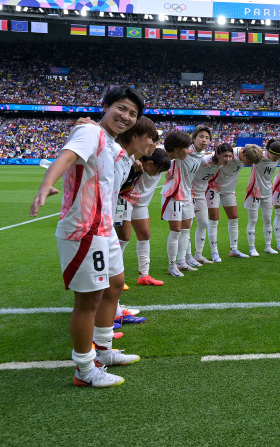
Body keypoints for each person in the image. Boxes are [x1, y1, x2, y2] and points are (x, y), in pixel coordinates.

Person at [29, 85, 144, 388]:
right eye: (121, 108)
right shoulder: (91, 133)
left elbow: (113, 185)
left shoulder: (113, 146)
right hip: (84, 231)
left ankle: (103, 351)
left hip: (104, 230)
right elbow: (67, 157)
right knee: (87, 302)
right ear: (106, 106)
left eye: (133, 113)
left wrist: (132, 162)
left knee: (116, 285)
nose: (126, 116)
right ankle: (84, 369)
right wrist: (46, 184)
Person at [118, 144, 171, 286]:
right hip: (122, 200)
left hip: (140, 203)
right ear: (149, 164)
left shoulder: (157, 159)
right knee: (123, 238)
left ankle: (144, 275)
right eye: (158, 170)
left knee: (145, 235)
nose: (159, 174)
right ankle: (114, 277)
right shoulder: (132, 164)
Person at [206, 143, 263, 260]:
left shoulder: (249, 153)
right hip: (213, 188)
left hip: (229, 190)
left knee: (234, 218)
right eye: (249, 161)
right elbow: (209, 156)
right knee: (214, 219)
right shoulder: (230, 154)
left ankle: (234, 249)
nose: (250, 164)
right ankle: (214, 252)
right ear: (244, 155)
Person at [160, 130, 199, 277]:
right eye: (186, 147)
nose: (189, 151)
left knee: (186, 230)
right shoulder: (164, 159)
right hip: (173, 195)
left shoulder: (187, 156)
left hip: (187, 196)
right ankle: (172, 265)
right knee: (176, 231)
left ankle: (182, 261)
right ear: (176, 148)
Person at [245, 139, 280, 256]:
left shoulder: (279, 158)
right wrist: (259, 149)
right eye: (274, 155)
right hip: (254, 192)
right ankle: (252, 248)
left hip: (268, 193)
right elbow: (247, 147)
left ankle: (268, 246)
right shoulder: (258, 157)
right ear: (267, 151)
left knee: (268, 220)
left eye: (278, 156)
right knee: (253, 220)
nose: (276, 158)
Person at [183, 126, 213, 268]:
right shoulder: (186, 153)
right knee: (187, 227)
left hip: (200, 194)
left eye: (207, 138)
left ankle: (198, 255)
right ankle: (187, 257)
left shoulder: (205, 156)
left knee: (204, 223)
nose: (204, 140)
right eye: (201, 137)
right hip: (187, 193)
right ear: (193, 138)